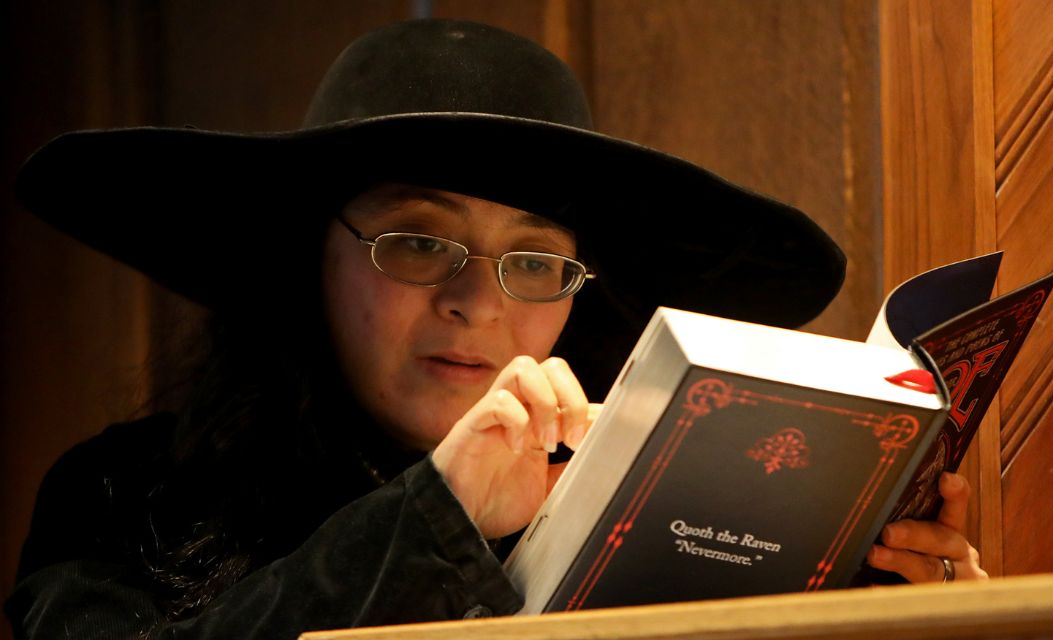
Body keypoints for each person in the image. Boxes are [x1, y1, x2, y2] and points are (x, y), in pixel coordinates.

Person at [5, 18, 986, 639]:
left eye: (535, 260)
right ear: (312, 258)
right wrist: (441, 516)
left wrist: (923, 615)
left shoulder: (660, 496)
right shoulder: (124, 495)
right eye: (418, 241)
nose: (477, 303)